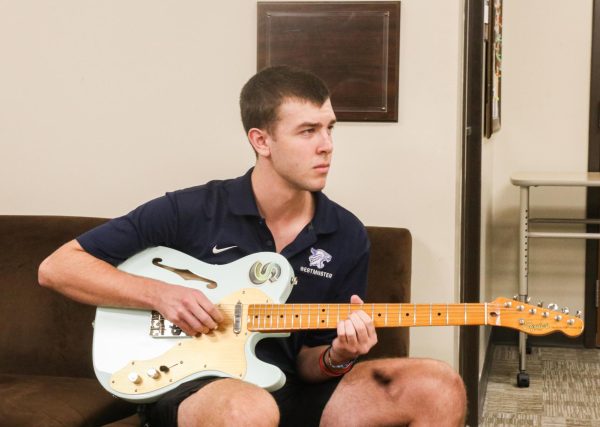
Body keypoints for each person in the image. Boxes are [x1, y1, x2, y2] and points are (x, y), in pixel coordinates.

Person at [38, 65, 466, 427]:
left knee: (439, 385)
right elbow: (58, 267)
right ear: (261, 141)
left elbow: (308, 364)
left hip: (291, 389)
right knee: (249, 407)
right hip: (198, 389)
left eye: (330, 128)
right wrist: (162, 295)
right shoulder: (192, 209)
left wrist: (338, 355)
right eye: (308, 131)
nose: (327, 145)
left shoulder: (346, 233)